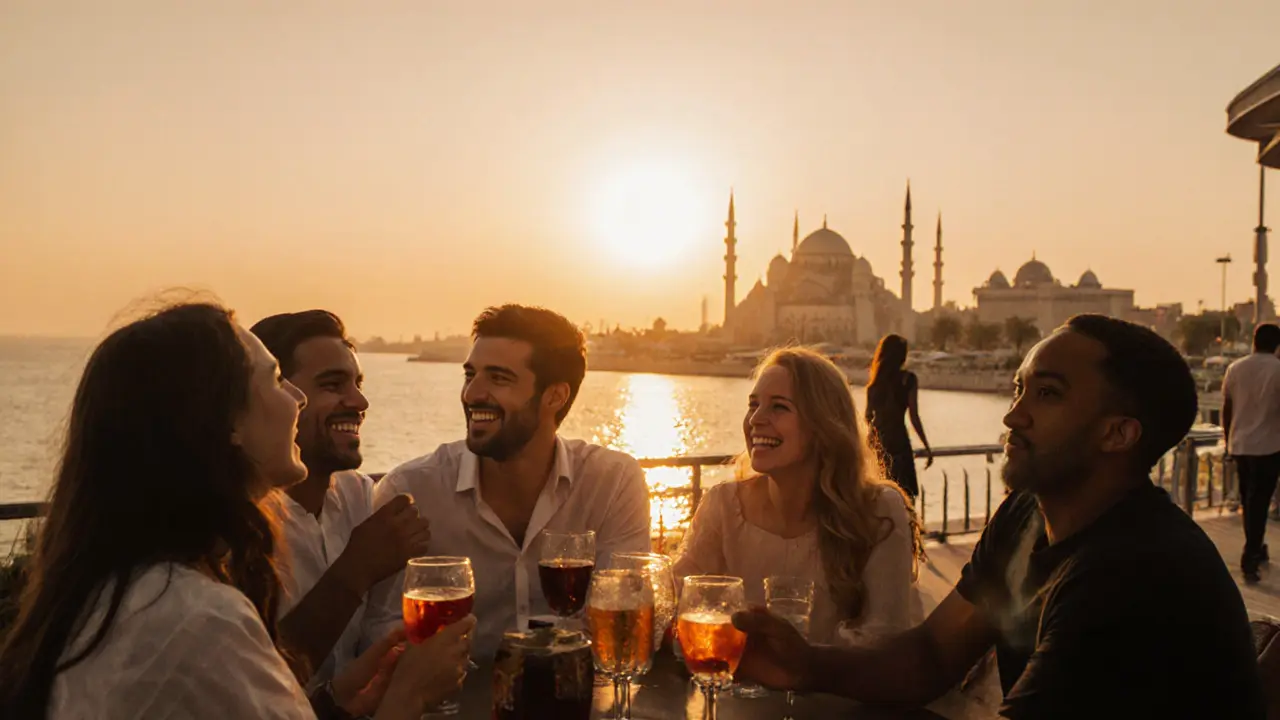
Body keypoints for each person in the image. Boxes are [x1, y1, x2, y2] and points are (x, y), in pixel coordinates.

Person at [733, 314, 1266, 718]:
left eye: (1048, 394)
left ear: (1118, 433)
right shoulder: (1026, 516)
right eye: (1019, 389)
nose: (1013, 415)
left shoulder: (1135, 574)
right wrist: (807, 664)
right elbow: (931, 656)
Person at [0, 302, 472, 719]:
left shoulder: (128, 588)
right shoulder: (196, 617)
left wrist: (339, 700)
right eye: (274, 380)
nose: (297, 398)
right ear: (226, 421)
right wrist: (407, 699)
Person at [364, 304, 651, 658]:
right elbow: (382, 632)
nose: (472, 394)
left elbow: (621, 624)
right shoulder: (411, 491)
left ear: (555, 396)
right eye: (470, 375)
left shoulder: (612, 482)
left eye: (498, 378)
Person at [673, 347, 923, 643]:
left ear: (823, 425)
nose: (756, 420)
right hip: (729, 686)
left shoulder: (877, 513)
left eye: (778, 407)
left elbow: (883, 641)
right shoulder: (723, 506)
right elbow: (677, 605)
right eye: (753, 405)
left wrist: (797, 667)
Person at [251, 310, 432, 686]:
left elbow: (384, 630)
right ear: (274, 399)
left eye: (357, 384)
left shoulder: (360, 498)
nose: (360, 402)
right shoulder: (238, 526)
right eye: (333, 386)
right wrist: (356, 569)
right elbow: (255, 683)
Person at [1221, 322, 1280, 583]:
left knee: (1248, 500)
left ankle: (1255, 545)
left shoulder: (1235, 368)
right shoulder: (1278, 370)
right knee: (1260, 500)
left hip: (1240, 444)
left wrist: (1228, 440)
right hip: (1269, 446)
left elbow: (1227, 407)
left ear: (1254, 341)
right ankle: (1252, 553)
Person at [864, 334, 932, 498]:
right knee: (905, 497)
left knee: (880, 497)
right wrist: (927, 447)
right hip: (899, 443)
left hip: (878, 444)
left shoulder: (874, 384)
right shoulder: (908, 380)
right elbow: (914, 417)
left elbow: (867, 417)